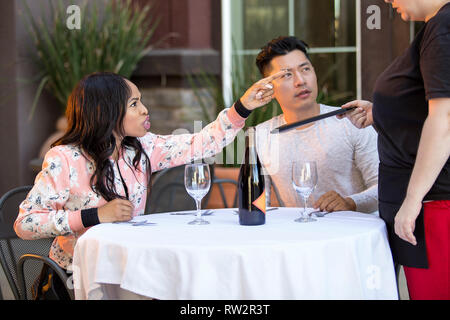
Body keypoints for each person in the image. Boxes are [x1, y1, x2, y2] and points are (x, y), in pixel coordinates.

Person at [14, 71, 285, 298]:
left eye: (141, 101)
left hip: (130, 270)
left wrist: (243, 106)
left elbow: (202, 143)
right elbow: (25, 223)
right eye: (134, 104)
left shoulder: (143, 147)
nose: (144, 110)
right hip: (76, 278)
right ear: (105, 111)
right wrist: (94, 215)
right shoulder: (65, 158)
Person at [340, 0, 450, 300]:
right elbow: (424, 108)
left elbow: (445, 118)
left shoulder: (443, 27)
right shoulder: (437, 25)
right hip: (427, 204)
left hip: (433, 205)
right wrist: (382, 112)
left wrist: (413, 201)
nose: (387, 0)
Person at [254, 36, 379, 214]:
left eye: (305, 69)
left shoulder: (351, 122)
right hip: (299, 237)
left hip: (354, 233)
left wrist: (350, 202)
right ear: (269, 88)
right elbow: (258, 204)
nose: (300, 81)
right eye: (287, 75)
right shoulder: (263, 134)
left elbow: (385, 186)